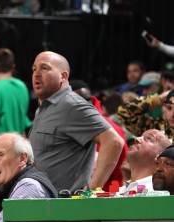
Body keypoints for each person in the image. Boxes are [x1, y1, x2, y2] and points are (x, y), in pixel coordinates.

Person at [29, 51, 125, 191]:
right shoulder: (42, 109)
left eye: (45, 68)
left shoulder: (71, 104)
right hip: (44, 205)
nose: (36, 74)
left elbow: (113, 141)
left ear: (63, 76)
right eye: (34, 69)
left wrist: (91, 190)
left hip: (64, 208)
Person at [120, 129, 171, 194]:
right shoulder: (119, 191)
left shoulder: (159, 194)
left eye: (149, 138)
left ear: (159, 158)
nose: (136, 139)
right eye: (140, 136)